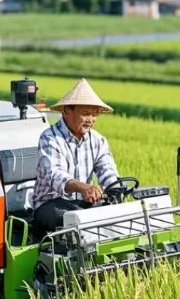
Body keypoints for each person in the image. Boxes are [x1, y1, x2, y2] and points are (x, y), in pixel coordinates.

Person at [32, 78, 119, 233]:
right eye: (86, 114)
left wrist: (116, 189)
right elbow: (55, 175)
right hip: (50, 204)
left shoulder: (98, 140)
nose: (90, 120)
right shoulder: (50, 138)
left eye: (94, 115)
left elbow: (108, 171)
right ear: (67, 111)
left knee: (115, 216)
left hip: (82, 203)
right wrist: (83, 187)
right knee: (77, 220)